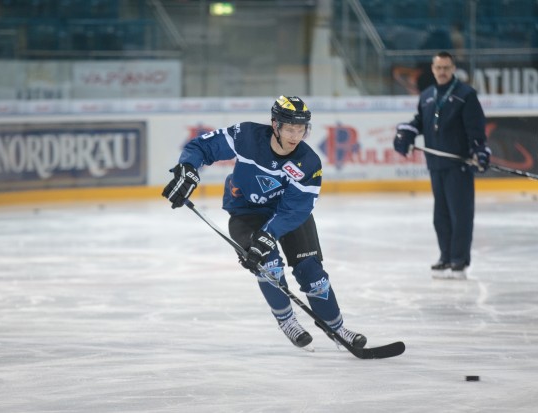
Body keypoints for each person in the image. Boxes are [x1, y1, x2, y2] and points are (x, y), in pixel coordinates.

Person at [162, 95, 367, 351]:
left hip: (285, 213)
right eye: (290, 128)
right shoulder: (247, 136)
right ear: (275, 125)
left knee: (313, 274)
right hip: (246, 212)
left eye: (301, 129)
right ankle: (288, 321)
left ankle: (338, 329)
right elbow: (203, 147)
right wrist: (188, 169)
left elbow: (297, 209)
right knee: (268, 265)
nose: (295, 136)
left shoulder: (308, 162)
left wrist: (269, 233)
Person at [393, 51, 491, 280]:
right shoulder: (427, 95)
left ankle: (459, 260)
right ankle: (445, 256)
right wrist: (407, 133)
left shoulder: (466, 95)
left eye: (446, 67)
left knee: (460, 215)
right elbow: (420, 122)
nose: (443, 72)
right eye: (439, 68)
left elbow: (476, 128)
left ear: (453, 68)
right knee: (441, 216)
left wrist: (478, 149)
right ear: (433, 69)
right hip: (436, 165)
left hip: (459, 165)